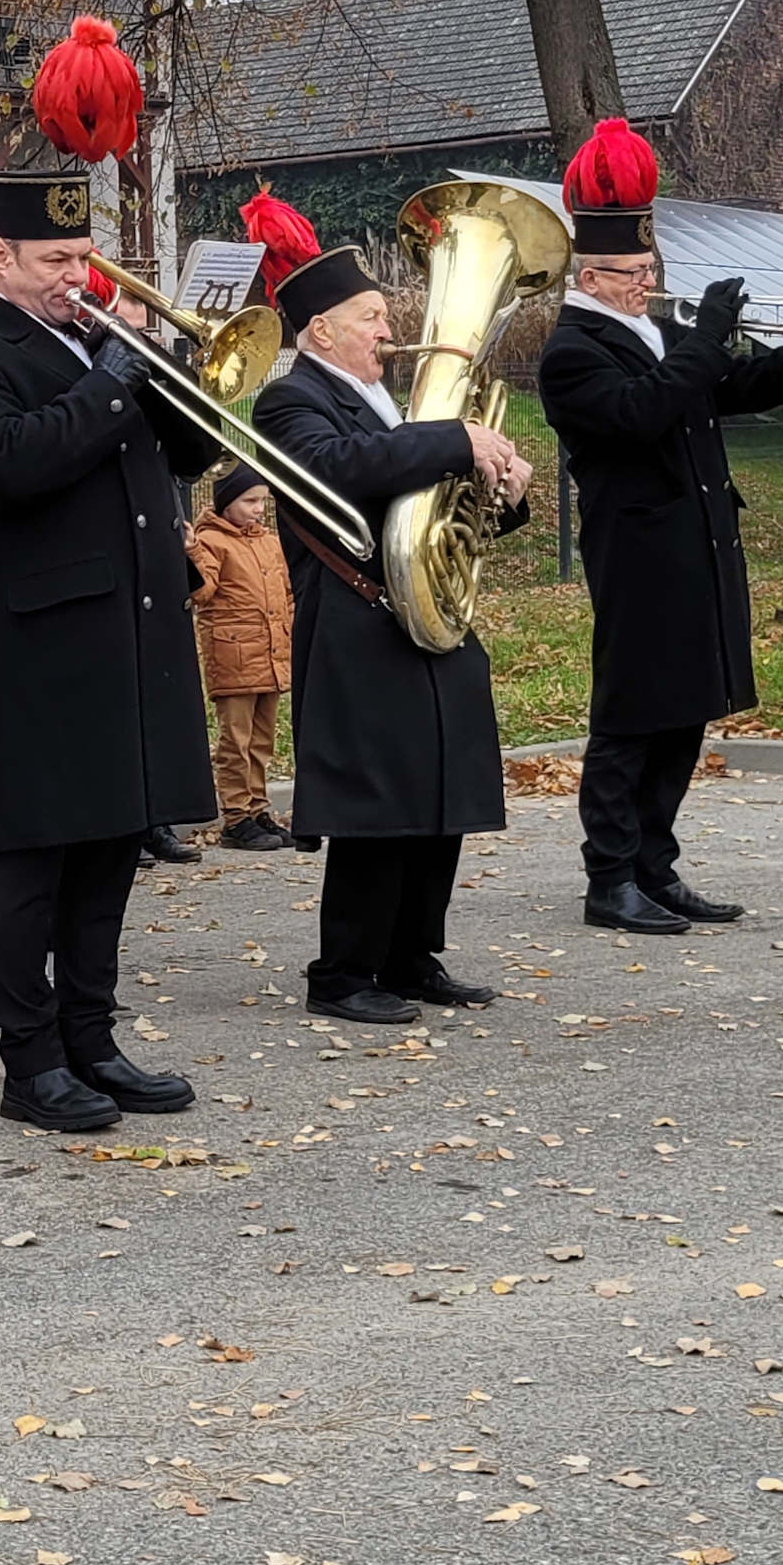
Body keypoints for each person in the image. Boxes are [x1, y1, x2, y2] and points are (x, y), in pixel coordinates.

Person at [0, 19, 220, 1134]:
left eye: (80, 261)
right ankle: (29, 1060)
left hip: (125, 635)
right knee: (31, 863)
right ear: (0, 259)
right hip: (37, 644)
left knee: (107, 855)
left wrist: (172, 374)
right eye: (53, 263)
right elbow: (10, 462)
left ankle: (93, 1037)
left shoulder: (97, 346)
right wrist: (111, 378)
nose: (73, 280)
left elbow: (189, 456)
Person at [533, 117, 783, 934]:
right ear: (591, 275)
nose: (646, 282)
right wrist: (708, 335)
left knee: (685, 712)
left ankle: (655, 865)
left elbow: (737, 387)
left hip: (698, 547)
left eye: (650, 268)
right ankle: (609, 877)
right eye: (632, 272)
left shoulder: (658, 334)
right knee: (629, 719)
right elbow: (642, 412)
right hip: (638, 555)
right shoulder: (573, 351)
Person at [248, 194, 535, 1021]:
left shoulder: (394, 405)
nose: (387, 328)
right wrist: (454, 441)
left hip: (424, 618)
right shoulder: (289, 402)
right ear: (320, 331)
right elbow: (344, 466)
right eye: (370, 317)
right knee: (376, 808)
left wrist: (502, 487)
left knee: (436, 798)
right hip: (356, 623)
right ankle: (342, 973)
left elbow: (439, 507)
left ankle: (412, 957)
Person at [186, 464, 294, 850]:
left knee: (261, 741)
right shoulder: (211, 541)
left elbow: (286, 592)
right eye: (250, 501)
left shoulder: (268, 542)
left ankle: (258, 808)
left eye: (262, 501)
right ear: (226, 503)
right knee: (236, 741)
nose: (258, 509)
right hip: (233, 657)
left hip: (270, 656)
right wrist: (191, 552)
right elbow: (201, 591)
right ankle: (236, 816)